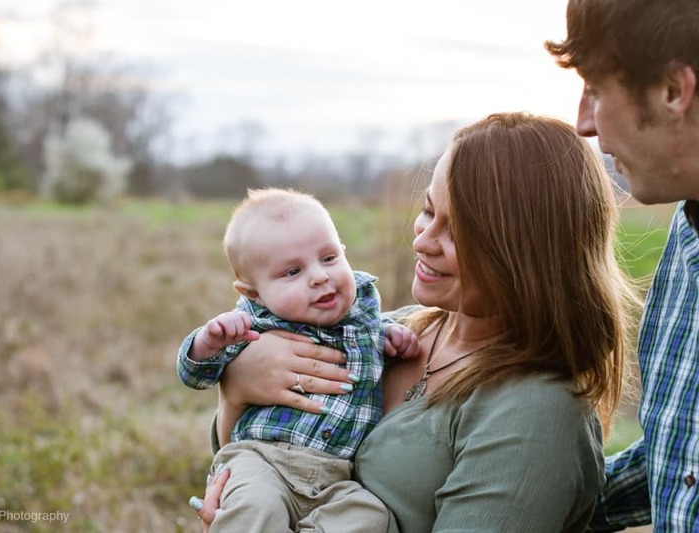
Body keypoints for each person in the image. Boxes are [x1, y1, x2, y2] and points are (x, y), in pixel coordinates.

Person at [190, 112, 640, 532]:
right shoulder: (395, 332)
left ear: (525, 254)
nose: (423, 241)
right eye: (428, 211)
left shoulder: (536, 414)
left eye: (457, 230)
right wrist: (235, 390)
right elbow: (250, 464)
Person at [176, 187, 420, 532]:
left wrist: (391, 335)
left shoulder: (365, 313)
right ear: (253, 292)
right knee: (254, 508)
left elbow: (375, 334)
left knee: (371, 518)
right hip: (262, 459)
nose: (319, 276)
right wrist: (207, 343)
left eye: (329, 258)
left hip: (336, 476)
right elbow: (194, 376)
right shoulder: (252, 324)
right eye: (292, 272)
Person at [544, 0, 699, 530]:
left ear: (675, 91)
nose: (583, 124)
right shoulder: (686, 237)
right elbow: (680, 464)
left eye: (595, 89)